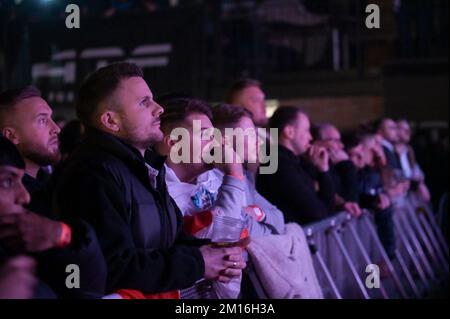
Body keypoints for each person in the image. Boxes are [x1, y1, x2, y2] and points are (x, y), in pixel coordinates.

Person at [54, 62, 245, 298]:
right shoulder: (92, 174)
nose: (159, 109)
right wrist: (199, 261)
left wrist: (213, 253)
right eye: (144, 102)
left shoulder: (145, 169)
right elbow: (112, 266)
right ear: (111, 121)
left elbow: (169, 240)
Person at [0, 87, 107, 298]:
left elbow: (77, 284)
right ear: (11, 136)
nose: (56, 128)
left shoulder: (57, 186)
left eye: (51, 118)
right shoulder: (16, 211)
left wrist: (65, 236)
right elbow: (74, 285)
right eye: (42, 120)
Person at [257, 106, 336, 225]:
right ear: (289, 132)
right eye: (306, 130)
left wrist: (321, 168)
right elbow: (319, 213)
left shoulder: (288, 162)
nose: (310, 137)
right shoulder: (279, 166)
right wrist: (323, 171)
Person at [313, 123, 361, 217]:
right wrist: (346, 165)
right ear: (318, 142)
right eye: (336, 141)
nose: (341, 146)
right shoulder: (315, 168)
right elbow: (349, 199)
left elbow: (354, 200)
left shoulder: (333, 166)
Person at [396, 119, 431, 203]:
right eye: (403, 129)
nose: (408, 132)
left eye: (408, 129)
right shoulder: (392, 151)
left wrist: (420, 183)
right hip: (400, 196)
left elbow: (416, 172)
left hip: (412, 194)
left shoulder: (409, 150)